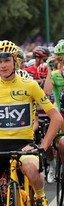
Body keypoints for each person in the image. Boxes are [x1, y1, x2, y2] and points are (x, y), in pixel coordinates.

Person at [0, 40, 62, 206]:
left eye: (7, 60)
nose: (3, 65)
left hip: (24, 144)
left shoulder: (30, 85)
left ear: (15, 61)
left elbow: (56, 118)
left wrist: (42, 148)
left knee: (30, 168)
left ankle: (40, 197)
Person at [44, 41, 64, 182]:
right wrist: (49, 70)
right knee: (62, 143)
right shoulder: (56, 75)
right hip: (61, 113)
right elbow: (47, 91)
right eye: (60, 58)